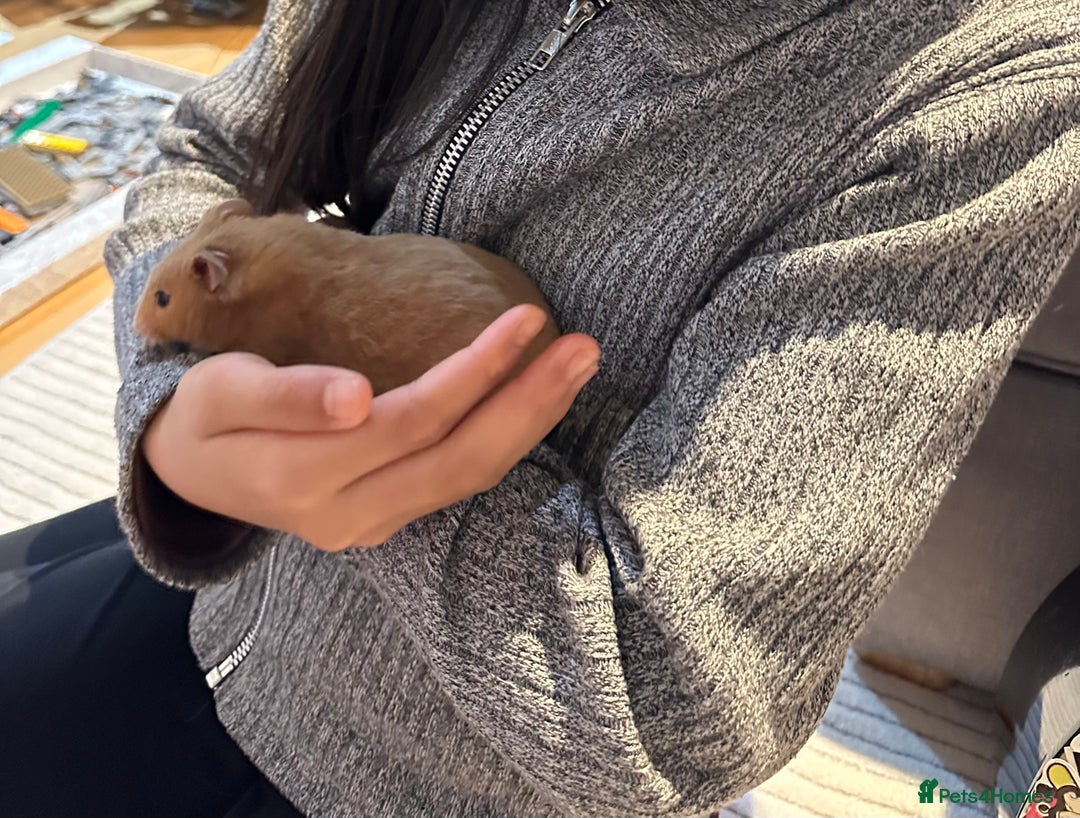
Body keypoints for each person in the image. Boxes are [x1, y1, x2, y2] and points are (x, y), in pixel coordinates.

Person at [2, 0, 1079, 815]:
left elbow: (677, 708)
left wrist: (392, 470)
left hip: (406, 775)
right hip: (233, 587)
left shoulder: (990, 89)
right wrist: (174, 402)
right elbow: (208, 152)